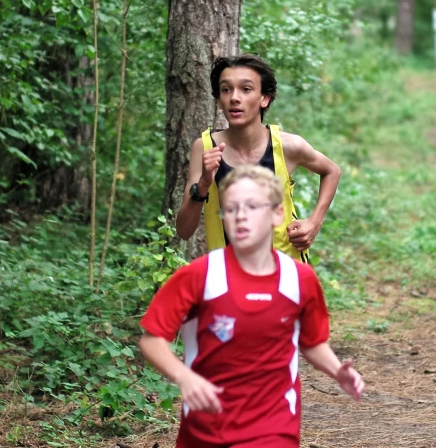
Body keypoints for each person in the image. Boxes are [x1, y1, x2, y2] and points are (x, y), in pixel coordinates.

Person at [140, 165, 365, 448]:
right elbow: (152, 339)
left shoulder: (299, 279)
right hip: (206, 427)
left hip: (274, 426)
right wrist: (184, 377)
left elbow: (311, 342)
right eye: (231, 209)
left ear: (277, 213)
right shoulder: (199, 275)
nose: (241, 216)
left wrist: (337, 371)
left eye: (252, 207)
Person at [175, 54, 341, 262]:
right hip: (228, 278)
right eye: (226, 90)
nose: (234, 98)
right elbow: (184, 230)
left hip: (285, 271)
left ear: (265, 98)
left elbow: (332, 171)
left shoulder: (287, 146)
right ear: (219, 100)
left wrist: (314, 223)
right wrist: (203, 185)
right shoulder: (205, 148)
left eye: (246, 89)